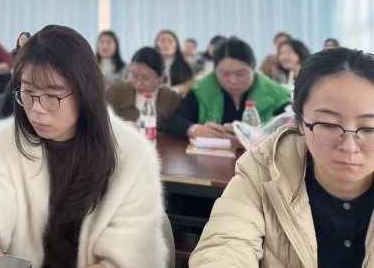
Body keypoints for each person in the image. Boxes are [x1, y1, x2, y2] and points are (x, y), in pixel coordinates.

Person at [0, 25, 168, 268]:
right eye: (28, 93)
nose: (37, 109)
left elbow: (128, 258)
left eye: (52, 96)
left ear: (85, 91)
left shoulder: (131, 155)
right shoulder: (11, 139)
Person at [190, 48, 374, 267]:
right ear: (300, 123)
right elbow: (225, 245)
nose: (349, 147)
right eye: (328, 125)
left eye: (370, 128)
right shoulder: (264, 170)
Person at [166, 38, 292, 140]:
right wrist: (195, 129)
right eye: (224, 74)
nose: (233, 80)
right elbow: (175, 121)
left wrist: (256, 138)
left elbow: (291, 131)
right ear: (215, 71)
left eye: (241, 74)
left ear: (254, 70)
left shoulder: (276, 94)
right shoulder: (202, 89)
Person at [106, 47, 181, 131]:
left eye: (145, 78)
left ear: (161, 76)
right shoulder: (118, 89)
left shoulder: (172, 98)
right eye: (134, 76)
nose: (138, 83)